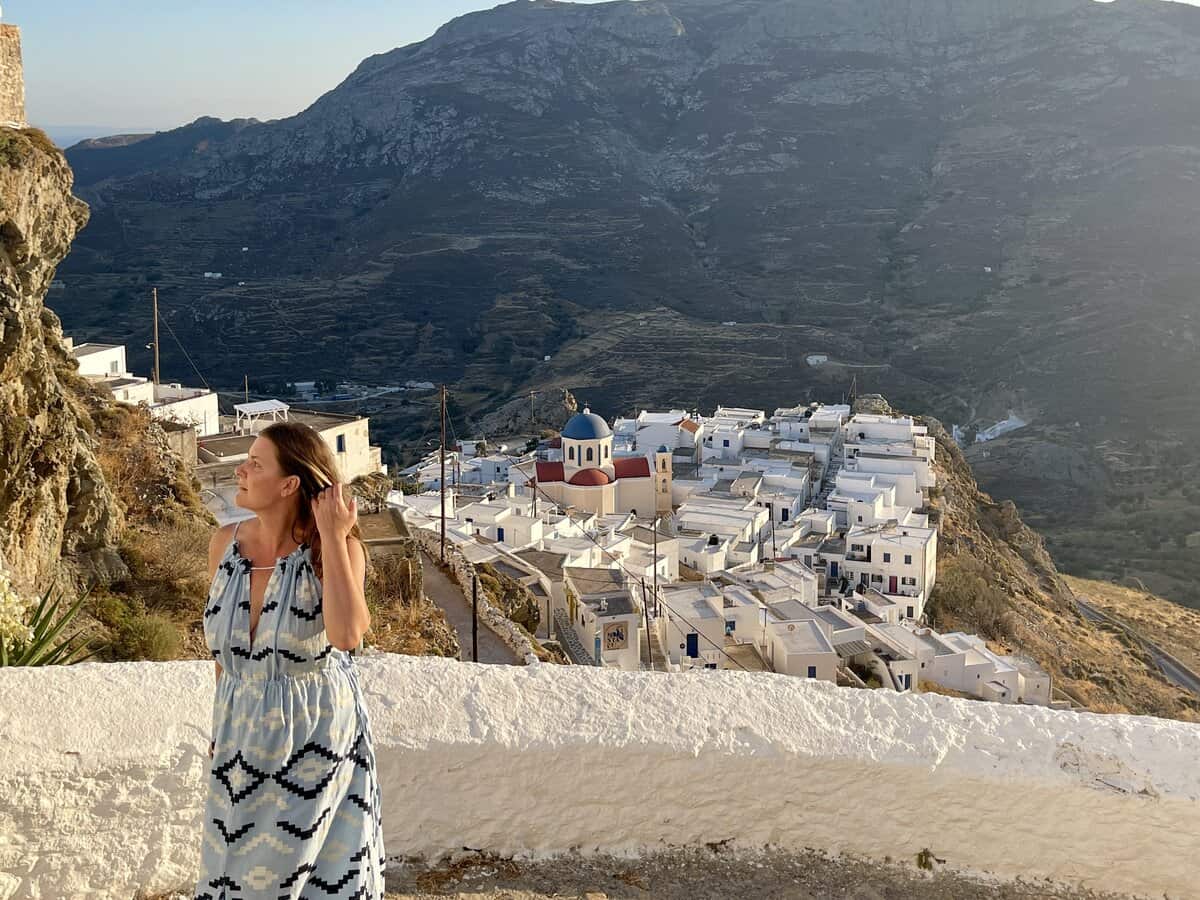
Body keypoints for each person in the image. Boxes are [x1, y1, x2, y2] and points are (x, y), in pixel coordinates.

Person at [194, 421, 385, 899]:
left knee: (314, 884)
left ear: (289, 484)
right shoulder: (224, 545)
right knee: (233, 876)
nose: (239, 470)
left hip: (314, 742)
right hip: (240, 739)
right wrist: (221, 729)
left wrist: (333, 535)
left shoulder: (334, 553)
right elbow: (226, 655)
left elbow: (346, 635)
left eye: (255, 464)